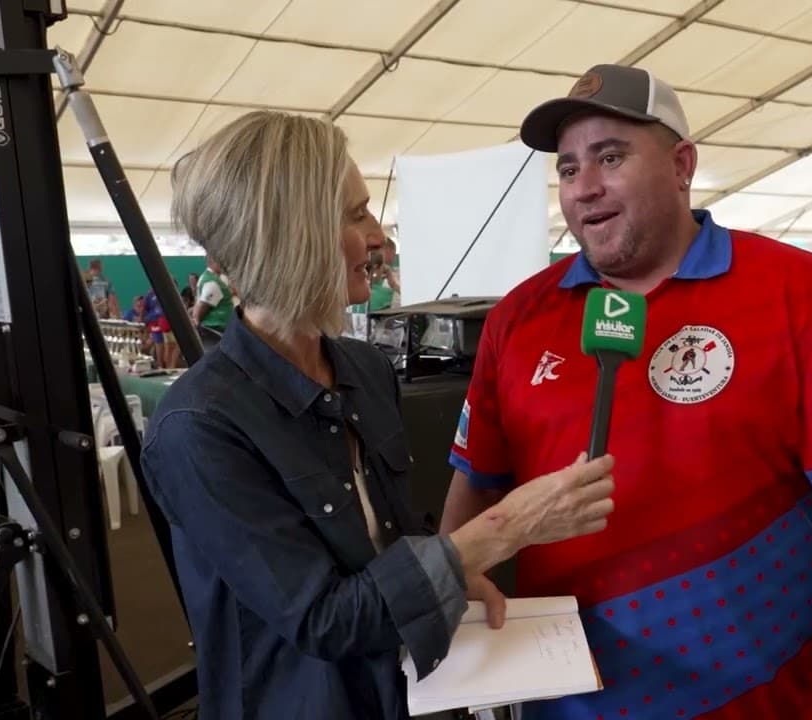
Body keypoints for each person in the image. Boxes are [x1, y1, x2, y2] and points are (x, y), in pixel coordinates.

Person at [439, 63, 812, 720]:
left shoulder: (804, 296)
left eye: (610, 157)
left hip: (760, 706)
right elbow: (472, 503)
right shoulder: (517, 318)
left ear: (682, 164)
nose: (585, 187)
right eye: (569, 169)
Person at [139, 111, 620, 720]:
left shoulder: (365, 370)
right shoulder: (199, 427)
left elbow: (390, 543)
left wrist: (449, 578)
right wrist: (505, 529)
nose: (378, 238)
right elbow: (325, 619)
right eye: (356, 214)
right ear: (292, 236)